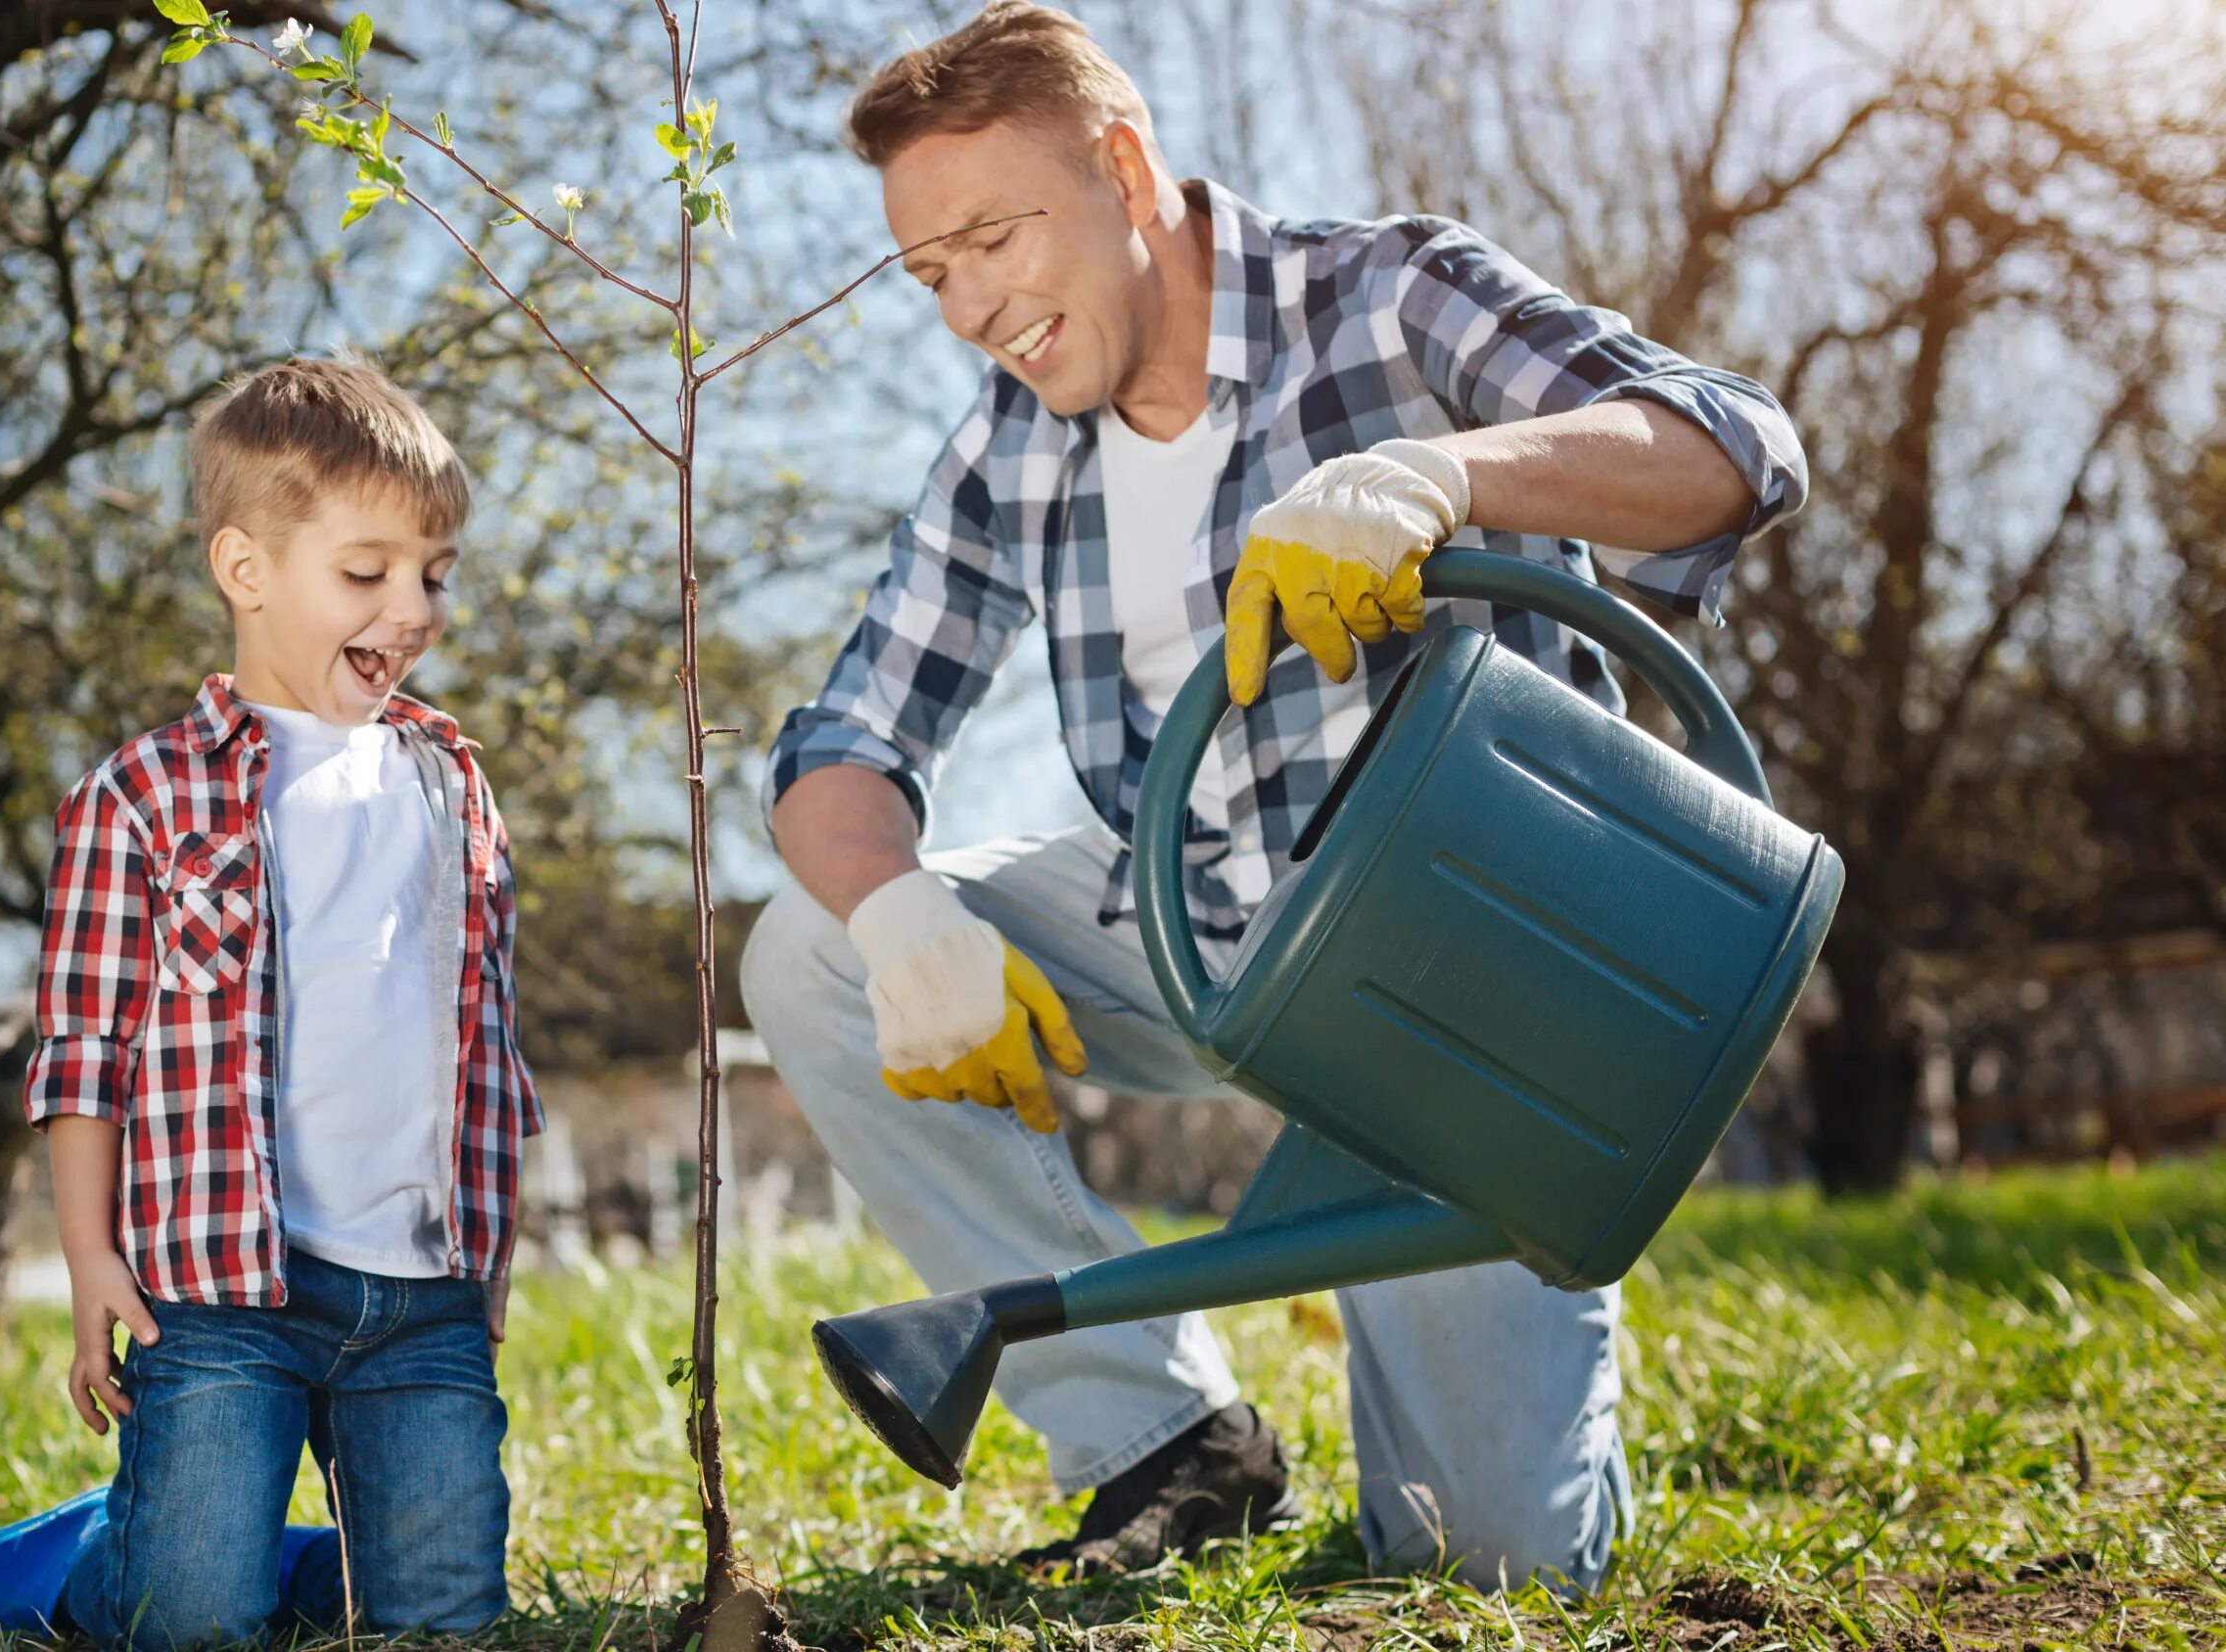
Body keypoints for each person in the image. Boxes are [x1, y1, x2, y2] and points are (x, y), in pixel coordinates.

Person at [743, 3, 1807, 1593]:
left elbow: (1730, 448)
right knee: (809, 953)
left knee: (1486, 1560)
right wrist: (900, 915)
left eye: (988, 239)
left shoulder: (1381, 296)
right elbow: (843, 742)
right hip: (1199, 943)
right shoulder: (1010, 450)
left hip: (1463, 995)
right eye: (928, 271)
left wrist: (1443, 476)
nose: (969, 305)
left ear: (1120, 165)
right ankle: (1165, 1442)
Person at [0, 358, 541, 1649]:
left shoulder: (454, 791)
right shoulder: (137, 799)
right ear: (245, 571)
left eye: (435, 572)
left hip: (416, 1299)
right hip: (217, 1295)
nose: (411, 608)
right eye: (367, 574)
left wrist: (489, 1255)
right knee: (190, 1622)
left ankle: (263, 1543)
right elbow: (84, 1055)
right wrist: (90, 1259)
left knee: (446, 1628)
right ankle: (86, 1564)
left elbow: (485, 1049)